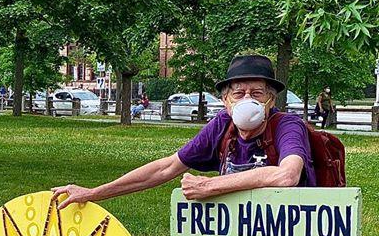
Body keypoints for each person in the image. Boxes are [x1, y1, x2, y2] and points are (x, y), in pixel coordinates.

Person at [54, 55, 316, 207]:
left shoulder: (287, 126)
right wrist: (94, 193)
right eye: (239, 93)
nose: (247, 100)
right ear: (226, 101)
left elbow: (287, 175)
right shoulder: (222, 126)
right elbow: (166, 168)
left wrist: (210, 185)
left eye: (256, 93)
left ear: (271, 100)